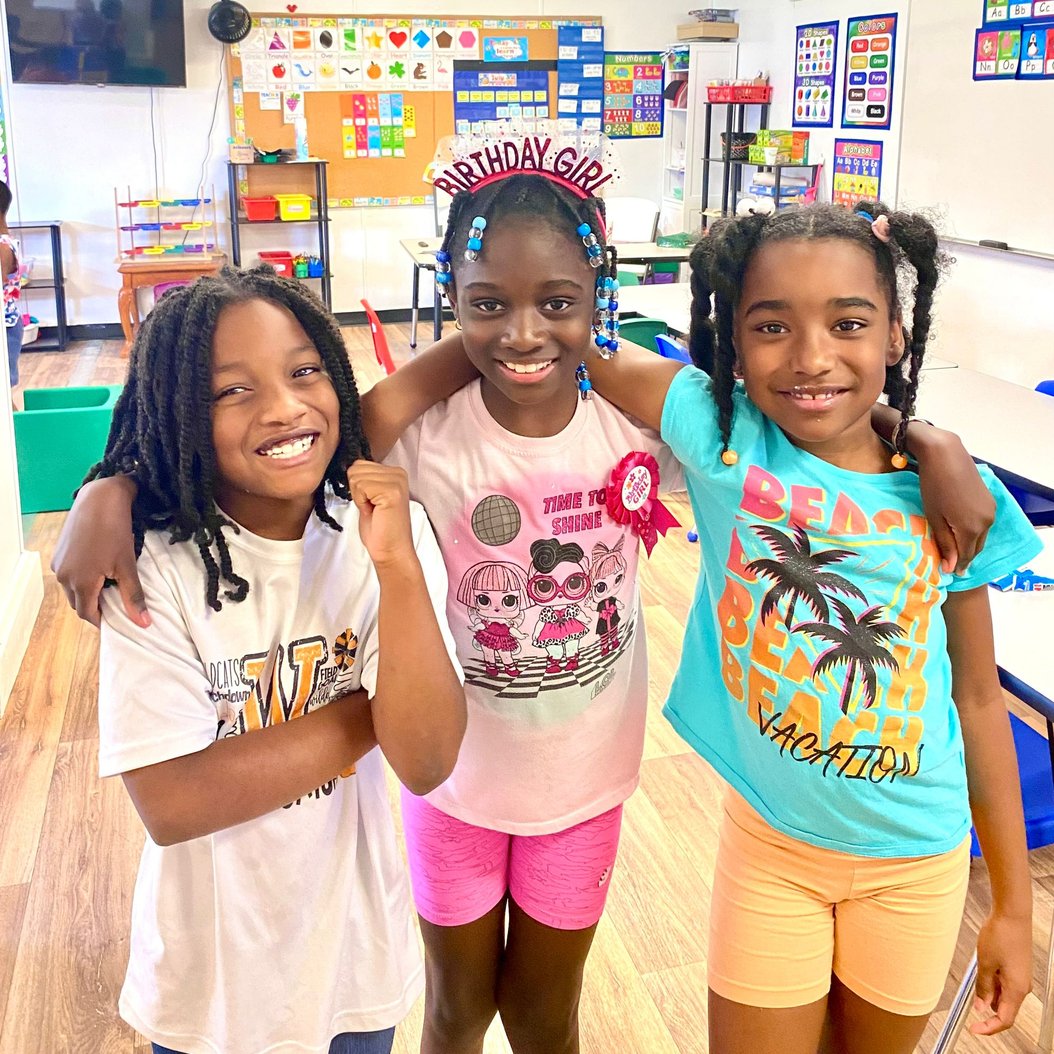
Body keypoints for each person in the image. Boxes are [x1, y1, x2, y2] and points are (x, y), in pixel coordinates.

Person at [53, 138, 995, 1054]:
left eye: (558, 302)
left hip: (586, 784)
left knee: (549, 1019)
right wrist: (115, 483)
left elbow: (793, 415)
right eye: (486, 303)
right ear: (453, 300)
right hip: (451, 785)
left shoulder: (644, 427)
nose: (523, 332)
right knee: (455, 1015)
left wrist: (926, 438)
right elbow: (284, 447)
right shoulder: (416, 436)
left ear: (599, 297)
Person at [582, 202, 1040, 1054]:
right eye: (770, 326)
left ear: (896, 335)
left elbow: (980, 701)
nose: (811, 357)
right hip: (771, 848)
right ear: (731, 344)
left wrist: (1013, 907)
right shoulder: (725, 436)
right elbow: (577, 337)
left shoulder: (951, 503)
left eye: (849, 322)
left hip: (917, 862)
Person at [90, 265, 465, 1054]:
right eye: (232, 391)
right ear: (178, 413)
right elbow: (173, 801)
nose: (285, 407)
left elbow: (426, 759)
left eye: (304, 371)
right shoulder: (150, 566)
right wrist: (373, 714)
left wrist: (398, 571)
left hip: (357, 970)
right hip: (212, 993)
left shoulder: (384, 537)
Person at [1, 181, 25, 403]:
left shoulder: (2, 246)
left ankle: (16, 436)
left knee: (3, 397)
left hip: (5, 328)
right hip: (9, 324)